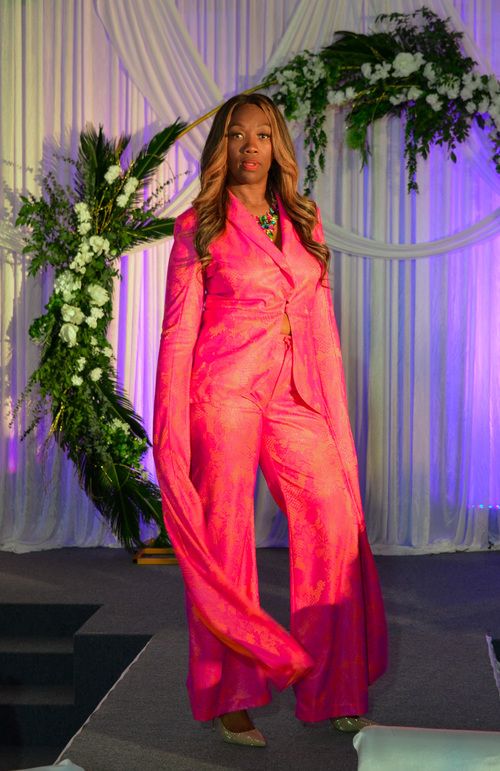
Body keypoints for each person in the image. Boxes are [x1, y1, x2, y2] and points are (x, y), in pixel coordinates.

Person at [152, 93, 387, 748]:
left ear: (277, 145)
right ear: (221, 147)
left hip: (295, 391)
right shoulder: (198, 225)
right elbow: (178, 333)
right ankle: (232, 696)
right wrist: (169, 426)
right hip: (223, 390)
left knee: (333, 522)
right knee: (226, 537)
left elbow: (320, 321)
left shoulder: (304, 220)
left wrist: (332, 410)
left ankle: (335, 687)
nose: (249, 145)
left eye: (262, 134)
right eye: (236, 134)